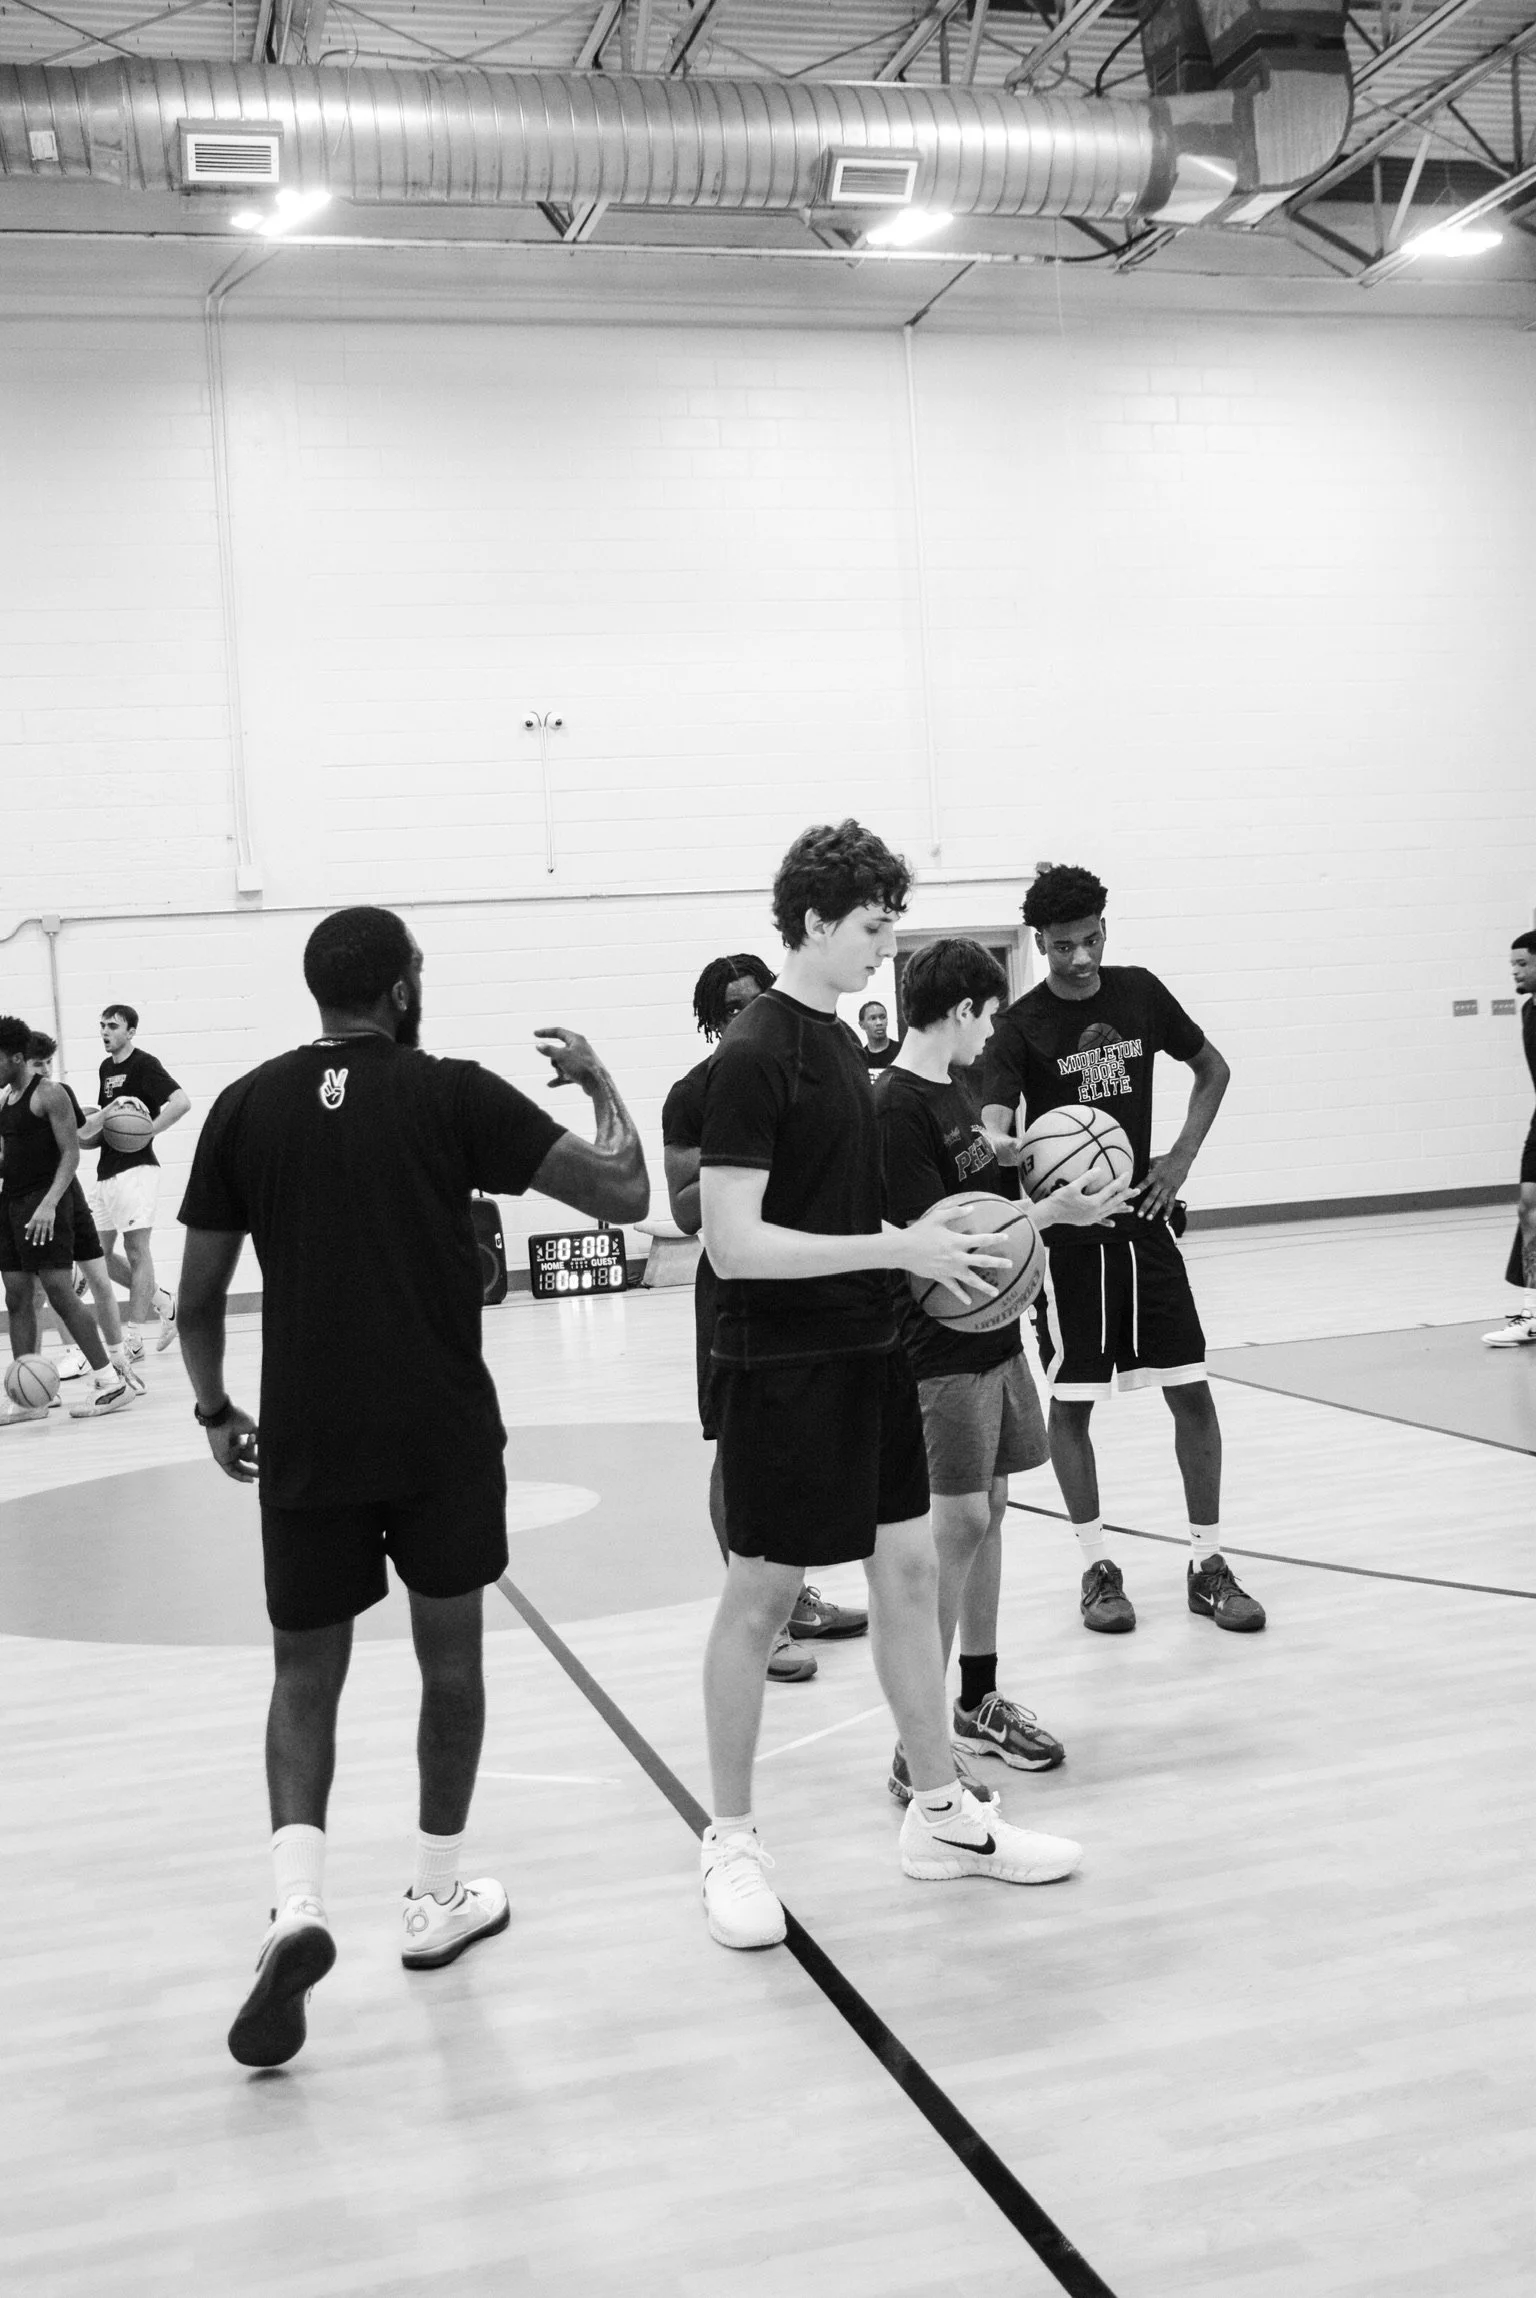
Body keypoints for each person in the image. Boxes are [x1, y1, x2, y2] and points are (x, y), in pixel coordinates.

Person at [175, 906, 648, 2068]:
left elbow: (193, 1305)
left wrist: (216, 1409)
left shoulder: (246, 1106)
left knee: (303, 1677)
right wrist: (597, 1080)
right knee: (452, 1664)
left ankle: (296, 1905)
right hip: (437, 1439)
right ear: (399, 990)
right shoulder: (453, 1093)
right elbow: (626, 1194)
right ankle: (435, 1900)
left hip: (307, 1443)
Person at [696, 822, 1083, 1953]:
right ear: (817, 922)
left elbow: (830, 1219)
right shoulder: (759, 1049)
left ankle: (940, 1813)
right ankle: (729, 1838)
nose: (885, 949)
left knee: (910, 1572)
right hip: (781, 1368)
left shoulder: (839, 1048)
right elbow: (733, 1245)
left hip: (869, 1354)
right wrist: (896, 1251)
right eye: (873, 927)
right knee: (760, 1600)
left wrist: (917, 1242)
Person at [875, 938, 1133, 1793]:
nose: (992, 1036)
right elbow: (934, 1246)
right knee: (953, 1529)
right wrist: (1048, 1209)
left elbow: (978, 1182)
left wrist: (1036, 1158)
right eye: (987, 1016)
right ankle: (917, 1753)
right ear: (960, 1012)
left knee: (988, 1512)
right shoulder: (896, 1109)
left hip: (996, 1338)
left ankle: (975, 1701)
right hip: (939, 1353)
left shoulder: (956, 1090)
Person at [981, 863, 1265, 1637]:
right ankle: (1096, 1567)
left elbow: (1213, 1069)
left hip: (1143, 1222)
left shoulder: (1140, 992)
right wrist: (1005, 1141)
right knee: (1073, 1405)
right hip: (1070, 1236)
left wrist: (1177, 1161)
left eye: (1087, 941)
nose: (1077, 958)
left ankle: (1208, 1564)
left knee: (1191, 1388)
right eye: (1060, 946)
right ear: (1039, 944)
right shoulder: (1021, 1025)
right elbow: (997, 1116)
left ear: (1104, 930)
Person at [663, 953, 868, 1685]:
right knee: (739, 1452)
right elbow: (688, 1207)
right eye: (727, 1009)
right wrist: (751, 1162)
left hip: (809, 1281)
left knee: (802, 1448)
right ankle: (762, 1617)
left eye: (753, 1001)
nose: (743, 1016)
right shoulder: (695, 1093)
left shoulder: (818, 1060)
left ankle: (795, 1594)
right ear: (709, 1022)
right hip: (733, 1292)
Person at [0, 1016, 133, 1425]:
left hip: (46, 1204)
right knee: (17, 1297)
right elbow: (11, 1159)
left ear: (17, 1058)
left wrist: (49, 1204)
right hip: (12, 1205)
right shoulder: (5, 1099)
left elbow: (71, 1154)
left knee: (60, 1291)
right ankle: (29, 1399)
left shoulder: (50, 1094)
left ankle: (111, 1382)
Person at [22, 1033, 143, 1399]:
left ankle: (118, 1360)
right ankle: (67, 1356)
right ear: (19, 1063)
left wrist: (109, 1112)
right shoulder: (14, 1100)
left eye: (47, 1063)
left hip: (66, 1196)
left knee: (98, 1278)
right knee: (44, 1288)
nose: (45, 1069)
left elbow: (80, 1135)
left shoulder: (59, 1092)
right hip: (38, 1198)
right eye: (37, 1063)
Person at [81, 1003, 190, 1360]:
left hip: (138, 1169)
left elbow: (181, 1102)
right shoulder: (104, 1069)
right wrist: (89, 1129)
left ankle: (134, 1337)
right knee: (95, 1255)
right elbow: (108, 1125)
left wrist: (148, 1132)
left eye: (112, 1026)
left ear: (130, 1032)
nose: (105, 1031)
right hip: (106, 1171)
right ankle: (164, 1302)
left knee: (136, 1251)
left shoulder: (144, 1064)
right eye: (102, 1025)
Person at [1483, 929, 1536, 1347]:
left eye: (1523, 964)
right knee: (1528, 1209)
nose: (1515, 972)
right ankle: (1532, 1312)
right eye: (1512, 965)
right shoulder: (1528, 1011)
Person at [858, 998, 900, 1070]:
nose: (879, 1023)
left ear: (887, 1021)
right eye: (873, 1018)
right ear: (862, 1025)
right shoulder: (860, 1058)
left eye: (882, 1017)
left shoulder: (901, 1051)